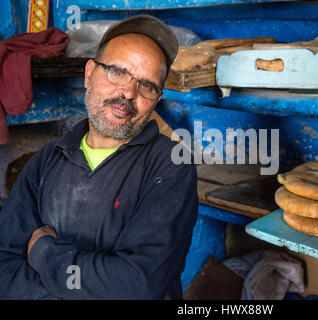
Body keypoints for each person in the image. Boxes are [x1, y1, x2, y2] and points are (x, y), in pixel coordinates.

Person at [0, 15, 198, 299]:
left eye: (147, 85)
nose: (128, 92)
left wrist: (45, 254)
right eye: (117, 71)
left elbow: (137, 285)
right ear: (90, 72)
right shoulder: (47, 159)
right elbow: (5, 268)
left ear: (157, 98)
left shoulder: (171, 165)